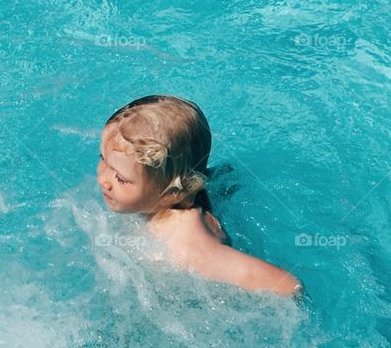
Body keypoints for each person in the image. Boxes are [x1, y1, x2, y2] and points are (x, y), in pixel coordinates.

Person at [96, 95, 303, 298]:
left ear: (172, 193)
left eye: (121, 179)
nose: (103, 179)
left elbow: (287, 285)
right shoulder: (163, 193)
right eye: (103, 159)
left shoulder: (186, 246)